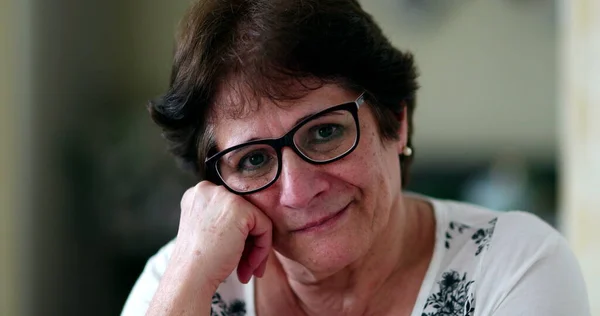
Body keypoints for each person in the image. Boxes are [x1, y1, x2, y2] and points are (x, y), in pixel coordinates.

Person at [121, 0, 590, 315]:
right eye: (254, 161)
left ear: (396, 120)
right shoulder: (185, 280)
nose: (299, 191)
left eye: (325, 132)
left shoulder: (513, 267)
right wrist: (188, 276)